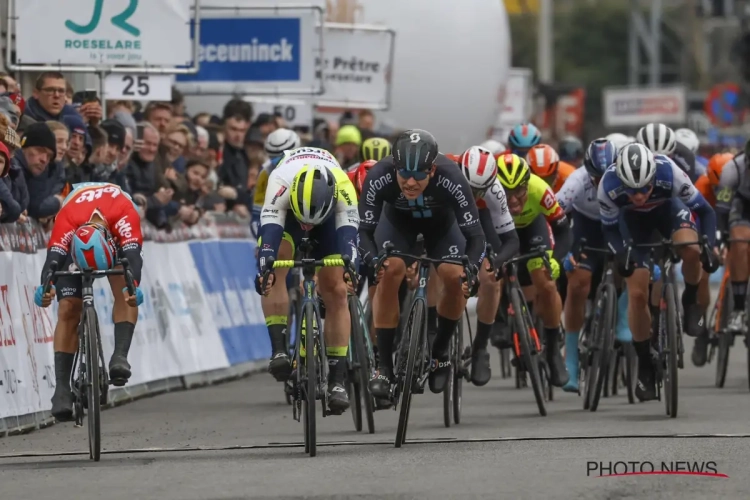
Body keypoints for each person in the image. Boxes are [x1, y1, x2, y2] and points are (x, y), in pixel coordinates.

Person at [359, 129, 486, 398]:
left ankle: (440, 352)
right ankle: (383, 366)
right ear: (394, 166)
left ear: (432, 171)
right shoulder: (379, 176)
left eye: (419, 175)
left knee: (454, 277)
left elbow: (476, 236)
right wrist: (373, 260)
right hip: (398, 225)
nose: (410, 182)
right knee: (389, 270)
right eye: (404, 173)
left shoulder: (451, 177)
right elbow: (364, 232)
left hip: (442, 227)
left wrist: (472, 270)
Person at [598, 143, 719, 402]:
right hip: (632, 224)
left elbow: (705, 211)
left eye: (644, 188)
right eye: (632, 190)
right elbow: (608, 230)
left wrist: (710, 245)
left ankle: (690, 300)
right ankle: (644, 363)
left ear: (653, 177)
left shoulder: (669, 172)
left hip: (668, 212)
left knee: (691, 248)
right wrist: (621, 255)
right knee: (638, 294)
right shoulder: (608, 185)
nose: (639, 196)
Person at [254, 147, 358, 414]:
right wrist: (264, 266)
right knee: (275, 263)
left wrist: (351, 265)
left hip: (329, 221)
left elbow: (349, 240)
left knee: (335, 288)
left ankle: (337, 380)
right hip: (287, 215)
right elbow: (269, 233)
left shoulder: (344, 187)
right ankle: (279, 350)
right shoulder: (280, 182)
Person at [33, 181, 145, 421]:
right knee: (68, 308)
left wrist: (133, 287)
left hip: (112, 237)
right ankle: (62, 388)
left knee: (125, 288)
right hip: (77, 233)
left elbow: (133, 257)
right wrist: (46, 287)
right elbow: (54, 257)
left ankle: (120, 356)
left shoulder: (124, 212)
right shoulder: (68, 217)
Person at [495, 153, 572, 387]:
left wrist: (556, 260)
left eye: (519, 191)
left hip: (532, 229)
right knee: (492, 274)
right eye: (506, 194)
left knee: (546, 283)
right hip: (500, 231)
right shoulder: (488, 195)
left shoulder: (540, 190)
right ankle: (500, 321)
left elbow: (563, 231)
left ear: (528, 184)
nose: (514, 200)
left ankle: (552, 350)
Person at [555, 138, 619, 393]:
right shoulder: (577, 181)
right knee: (577, 284)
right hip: (586, 229)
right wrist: (562, 253)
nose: (600, 183)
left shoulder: (623, 176)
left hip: (616, 226)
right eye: (595, 178)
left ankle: (623, 318)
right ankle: (570, 357)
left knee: (630, 269)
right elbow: (554, 216)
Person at [454, 146, 519, 386]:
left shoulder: (494, 191)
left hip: (481, 222)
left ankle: (480, 347)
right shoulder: (445, 173)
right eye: (468, 187)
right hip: (449, 217)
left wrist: (498, 261)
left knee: (491, 277)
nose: (471, 194)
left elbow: (511, 240)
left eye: (478, 190)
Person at [690, 152, 734, 366]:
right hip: (708, 223)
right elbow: (694, 222)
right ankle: (702, 331)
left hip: (735, 217)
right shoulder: (702, 186)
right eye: (717, 188)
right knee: (703, 271)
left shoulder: (741, 179)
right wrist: (709, 247)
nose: (721, 191)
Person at [715, 141, 750, 333]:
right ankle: (738, 309)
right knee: (739, 240)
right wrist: (721, 236)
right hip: (742, 206)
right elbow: (722, 209)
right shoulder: (733, 169)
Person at [251, 128, 301, 237]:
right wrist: (262, 242)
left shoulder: (313, 167)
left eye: (283, 157)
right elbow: (256, 216)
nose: (279, 163)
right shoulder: (266, 172)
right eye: (274, 157)